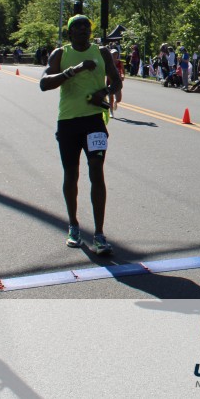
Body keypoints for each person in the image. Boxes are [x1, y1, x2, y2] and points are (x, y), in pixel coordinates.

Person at [40, 14, 121, 256]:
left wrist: (103, 93)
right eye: (78, 26)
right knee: (71, 173)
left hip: (94, 121)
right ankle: (74, 226)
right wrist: (74, 70)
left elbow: (117, 82)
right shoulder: (60, 54)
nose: (83, 29)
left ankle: (99, 234)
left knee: (96, 171)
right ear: (70, 32)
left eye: (87, 26)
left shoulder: (102, 52)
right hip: (68, 122)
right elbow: (44, 83)